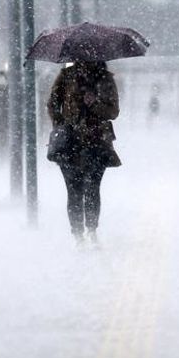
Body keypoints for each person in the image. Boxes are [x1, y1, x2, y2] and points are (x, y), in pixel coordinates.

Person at [48, 60, 121, 245]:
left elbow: (113, 112)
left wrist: (95, 103)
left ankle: (91, 229)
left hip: (96, 142)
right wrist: (61, 124)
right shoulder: (66, 76)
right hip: (70, 143)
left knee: (92, 188)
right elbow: (52, 104)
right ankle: (77, 234)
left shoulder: (105, 79)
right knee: (74, 190)